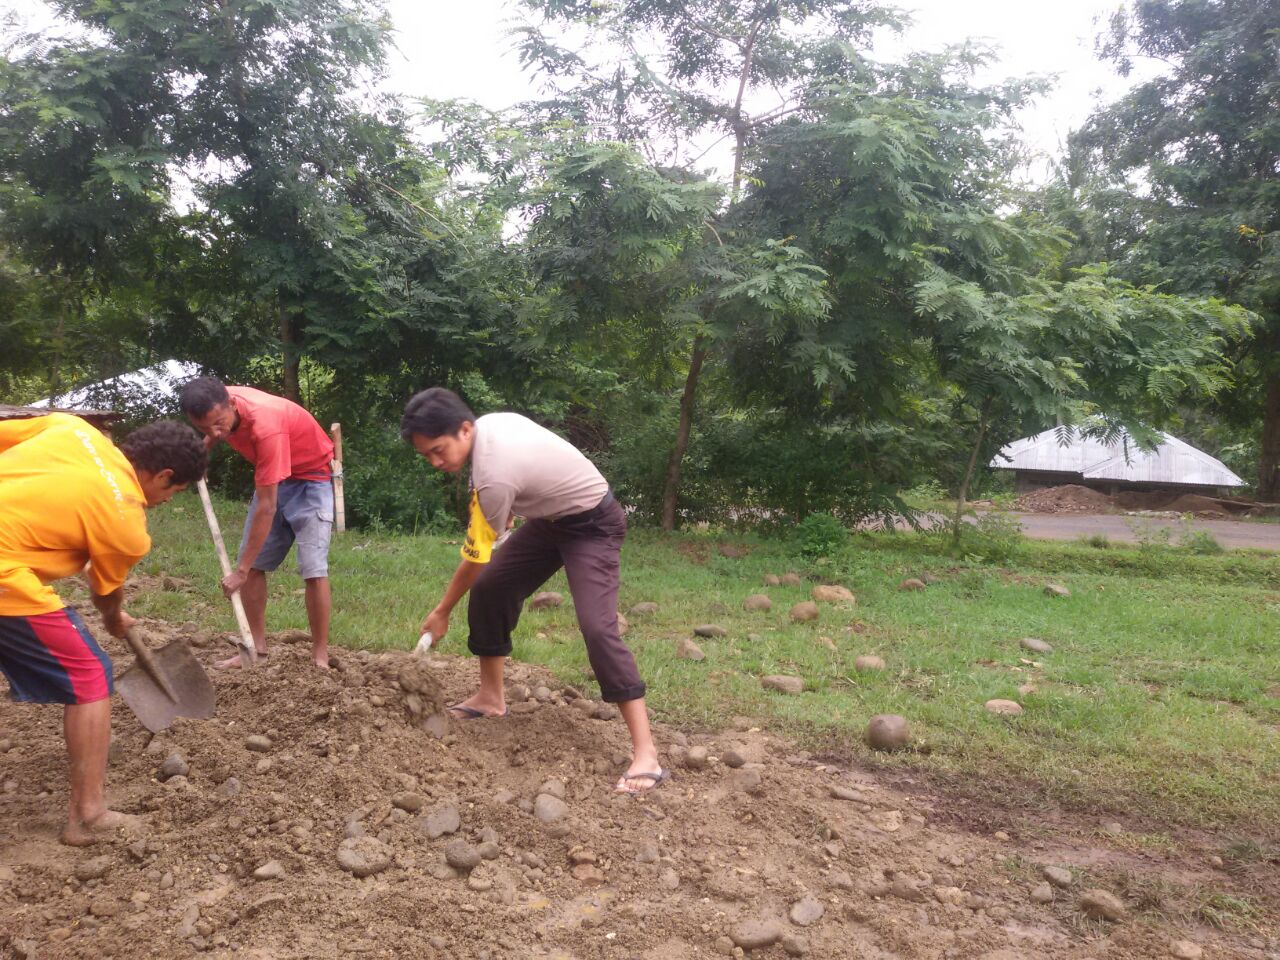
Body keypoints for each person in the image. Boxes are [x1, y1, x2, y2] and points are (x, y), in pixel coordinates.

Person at [402, 388, 665, 795]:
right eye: (426, 456)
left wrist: (442, 611)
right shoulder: (488, 431)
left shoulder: (493, 474)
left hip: (593, 524)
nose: (436, 462)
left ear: (465, 429)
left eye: (439, 450)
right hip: (550, 520)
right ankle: (491, 697)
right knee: (491, 589)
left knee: (597, 627)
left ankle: (646, 753)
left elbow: (477, 555)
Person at [0, 414, 207, 845]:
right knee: (89, 673)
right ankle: (87, 816)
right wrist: (114, 621)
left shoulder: (71, 429)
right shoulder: (125, 520)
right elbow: (105, 592)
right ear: (163, 475)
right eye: (175, 492)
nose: (170, 501)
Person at [179, 376, 335, 669]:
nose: (216, 433)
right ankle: (256, 650)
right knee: (252, 567)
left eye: (218, 423)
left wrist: (239, 571)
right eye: (203, 428)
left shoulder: (267, 428)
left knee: (313, 569)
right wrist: (200, 456)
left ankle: (320, 656)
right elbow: (214, 431)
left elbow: (267, 505)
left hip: (312, 479)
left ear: (233, 404)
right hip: (277, 478)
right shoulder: (219, 404)